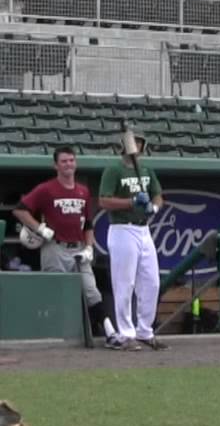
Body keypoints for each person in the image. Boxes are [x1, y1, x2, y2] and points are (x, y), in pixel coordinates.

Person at [14, 146, 120, 346]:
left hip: (79, 248)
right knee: (54, 291)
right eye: (64, 161)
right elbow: (20, 210)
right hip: (55, 247)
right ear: (56, 165)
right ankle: (51, 337)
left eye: (71, 160)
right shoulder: (47, 189)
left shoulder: (83, 191)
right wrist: (40, 228)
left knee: (92, 292)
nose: (68, 164)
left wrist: (89, 247)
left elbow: (88, 224)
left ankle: (110, 333)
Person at [98, 132, 166, 351]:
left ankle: (145, 330)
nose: (135, 145)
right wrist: (131, 202)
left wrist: (153, 208)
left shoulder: (146, 170)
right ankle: (126, 334)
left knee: (152, 282)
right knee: (124, 283)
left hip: (144, 229)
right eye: (133, 141)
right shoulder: (114, 169)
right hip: (122, 229)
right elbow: (103, 201)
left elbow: (158, 195)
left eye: (139, 142)